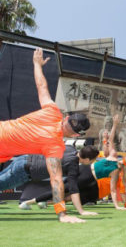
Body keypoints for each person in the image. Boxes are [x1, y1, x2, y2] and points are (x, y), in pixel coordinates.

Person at [0, 48, 90, 223]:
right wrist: (61, 214)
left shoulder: (54, 128)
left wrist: (36, 65)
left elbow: (42, 86)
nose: (68, 126)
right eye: (71, 123)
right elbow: (56, 180)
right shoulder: (55, 139)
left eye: (73, 127)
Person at [16, 145, 99, 216]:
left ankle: (27, 203)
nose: (93, 162)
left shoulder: (71, 150)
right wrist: (81, 211)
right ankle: (27, 203)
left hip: (26, 158)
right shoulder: (73, 165)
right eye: (93, 160)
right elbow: (73, 189)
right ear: (87, 160)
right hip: (27, 168)